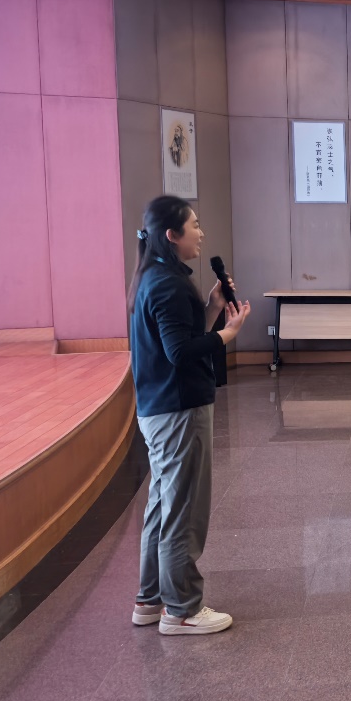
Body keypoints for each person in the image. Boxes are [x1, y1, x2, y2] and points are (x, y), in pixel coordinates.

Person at [128, 196, 250, 635]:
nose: (201, 232)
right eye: (194, 225)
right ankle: (181, 609)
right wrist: (227, 334)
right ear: (172, 235)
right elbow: (180, 352)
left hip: (158, 408)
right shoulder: (170, 285)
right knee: (182, 510)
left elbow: (176, 337)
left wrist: (213, 308)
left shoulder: (156, 278)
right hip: (178, 412)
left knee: (163, 504)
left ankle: (151, 598)